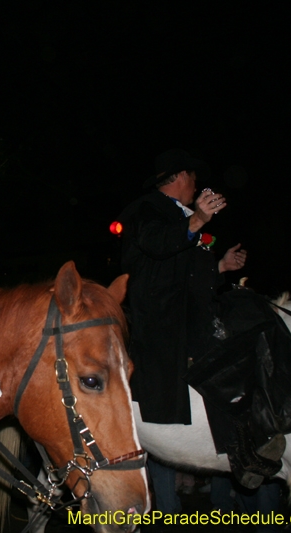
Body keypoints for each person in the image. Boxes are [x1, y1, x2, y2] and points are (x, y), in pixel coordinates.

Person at [117, 149, 279, 491]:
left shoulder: (183, 217)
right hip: (163, 320)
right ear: (179, 177)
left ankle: (248, 436)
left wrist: (221, 267)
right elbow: (156, 244)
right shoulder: (145, 209)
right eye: (193, 177)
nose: (196, 185)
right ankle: (240, 446)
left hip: (194, 313)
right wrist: (197, 221)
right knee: (220, 362)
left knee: (244, 340)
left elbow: (189, 274)